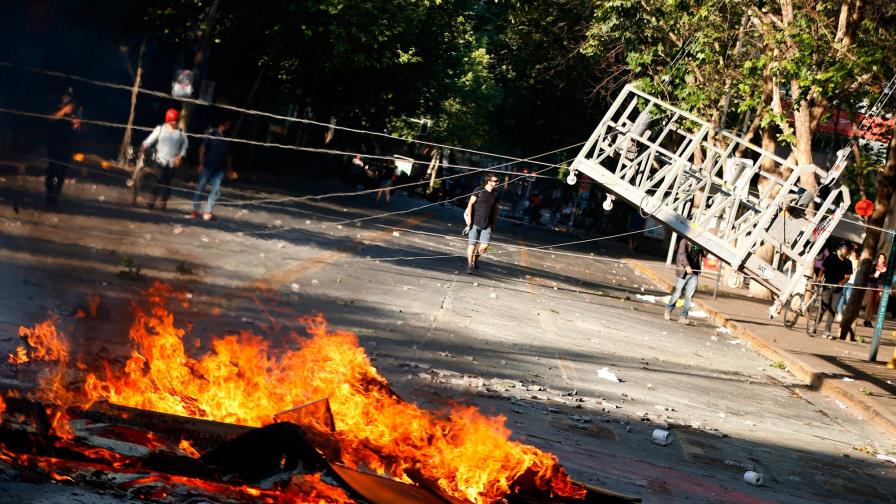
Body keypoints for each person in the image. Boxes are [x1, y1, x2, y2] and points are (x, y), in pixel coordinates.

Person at [140, 108, 188, 209]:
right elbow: (150, 139)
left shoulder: (181, 132)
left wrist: (180, 157)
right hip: (160, 160)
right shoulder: (160, 129)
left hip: (172, 163)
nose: (174, 122)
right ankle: (151, 201)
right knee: (157, 180)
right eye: (173, 120)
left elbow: (184, 146)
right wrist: (144, 145)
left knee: (166, 183)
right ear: (168, 120)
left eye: (176, 120)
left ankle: (163, 202)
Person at [45, 87, 81, 207]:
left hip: (66, 145)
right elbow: (51, 118)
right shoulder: (54, 106)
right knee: (51, 171)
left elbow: (80, 128)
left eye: (70, 97)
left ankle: (55, 198)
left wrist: (76, 123)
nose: (67, 99)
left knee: (61, 173)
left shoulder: (76, 111)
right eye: (66, 96)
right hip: (54, 143)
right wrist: (64, 111)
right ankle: (49, 196)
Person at [191, 119, 232, 220]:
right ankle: (195, 210)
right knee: (200, 187)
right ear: (221, 124)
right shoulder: (212, 133)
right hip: (207, 166)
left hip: (220, 168)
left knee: (216, 190)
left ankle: (208, 211)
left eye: (228, 125)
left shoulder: (227, 138)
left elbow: (228, 155)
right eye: (226, 124)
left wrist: (229, 169)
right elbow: (202, 148)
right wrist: (201, 163)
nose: (227, 127)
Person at [463, 173, 501, 274]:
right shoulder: (479, 189)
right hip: (475, 222)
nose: (497, 183)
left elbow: (496, 210)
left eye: (497, 181)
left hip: (487, 224)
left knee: (485, 246)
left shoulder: (496, 194)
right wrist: (469, 220)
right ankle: (469, 266)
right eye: (495, 181)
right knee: (472, 244)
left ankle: (475, 258)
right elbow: (470, 204)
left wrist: (494, 223)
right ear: (489, 181)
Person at [815, 242, 853, 339]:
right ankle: (815, 325)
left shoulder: (848, 263)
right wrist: (819, 278)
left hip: (838, 289)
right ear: (840, 249)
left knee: (833, 309)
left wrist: (840, 283)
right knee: (823, 308)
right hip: (827, 286)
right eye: (845, 249)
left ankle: (827, 331)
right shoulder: (831, 257)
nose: (846, 251)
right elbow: (822, 269)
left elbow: (847, 277)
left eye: (848, 250)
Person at [664, 239, 705, 324]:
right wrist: (687, 266)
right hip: (683, 271)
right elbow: (682, 255)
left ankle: (683, 316)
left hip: (694, 272)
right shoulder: (684, 241)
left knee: (689, 296)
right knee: (678, 293)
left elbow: (704, 254)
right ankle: (668, 309)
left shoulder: (700, 242)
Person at [862, 253, 889, 327]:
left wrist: (884, 287)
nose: (881, 259)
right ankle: (866, 320)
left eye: (883, 258)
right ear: (878, 258)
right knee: (870, 303)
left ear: (885, 259)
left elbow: (887, 279)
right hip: (872, 285)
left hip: (880, 288)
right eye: (880, 258)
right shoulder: (874, 266)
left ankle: (869, 320)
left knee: (874, 305)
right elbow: (867, 276)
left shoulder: (886, 268)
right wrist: (874, 275)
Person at [836, 244, 860, 321]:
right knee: (841, 297)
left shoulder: (859, 261)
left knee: (849, 298)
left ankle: (846, 314)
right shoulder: (847, 259)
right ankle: (840, 314)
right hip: (844, 281)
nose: (855, 254)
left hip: (852, 283)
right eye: (854, 252)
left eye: (856, 252)